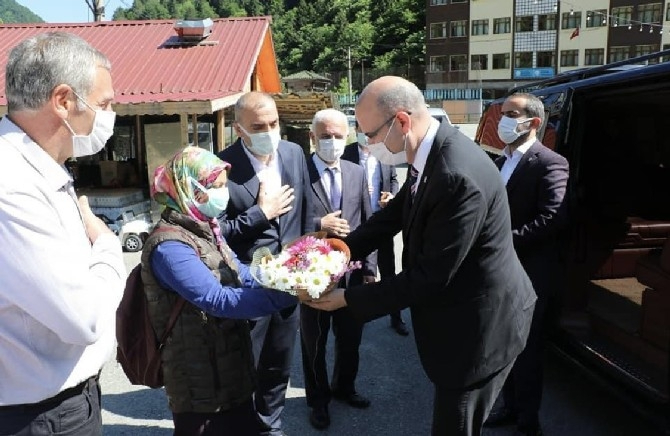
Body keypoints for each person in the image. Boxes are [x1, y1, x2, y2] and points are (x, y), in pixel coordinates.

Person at [307, 76, 537, 436]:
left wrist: (345, 298)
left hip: (478, 331)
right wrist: (342, 250)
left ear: (401, 122)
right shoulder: (429, 152)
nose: (364, 144)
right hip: (459, 317)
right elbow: (394, 214)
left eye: (367, 134)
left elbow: (431, 276)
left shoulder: (455, 174)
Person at [0, 32, 124, 435]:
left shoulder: (36, 166)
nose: (110, 114)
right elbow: (82, 319)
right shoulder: (12, 184)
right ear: (64, 101)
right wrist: (107, 247)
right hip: (40, 415)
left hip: (59, 404)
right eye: (104, 104)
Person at [144, 146, 298, 436]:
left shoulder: (206, 228)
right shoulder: (169, 246)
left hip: (230, 371)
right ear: (188, 188)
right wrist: (285, 295)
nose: (222, 194)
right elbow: (216, 300)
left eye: (223, 185)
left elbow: (240, 273)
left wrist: (286, 277)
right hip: (199, 382)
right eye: (215, 187)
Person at [217, 91, 315, 436]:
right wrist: (261, 213)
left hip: (289, 280)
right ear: (238, 128)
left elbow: (307, 211)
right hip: (247, 285)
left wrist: (308, 259)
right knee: (247, 364)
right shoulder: (221, 167)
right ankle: (244, 425)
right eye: (259, 126)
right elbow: (216, 235)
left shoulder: (293, 153)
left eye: (274, 123)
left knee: (279, 362)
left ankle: (270, 427)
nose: (269, 131)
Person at [484, 93, 569, 436]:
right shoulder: (501, 160)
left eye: (511, 114)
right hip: (500, 270)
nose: (503, 120)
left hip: (530, 273)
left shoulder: (550, 162)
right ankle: (510, 406)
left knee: (527, 348)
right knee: (505, 345)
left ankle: (528, 421)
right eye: (502, 113)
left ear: (534, 122)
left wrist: (503, 241)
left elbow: (553, 218)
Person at [301, 109, 377, 430]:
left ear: (346, 136)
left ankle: (345, 387)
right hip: (312, 275)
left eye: (337, 135)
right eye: (324, 136)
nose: (331, 142)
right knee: (314, 343)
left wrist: (371, 268)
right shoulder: (299, 172)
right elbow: (283, 223)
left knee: (350, 339)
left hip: (353, 274)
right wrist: (320, 224)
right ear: (312, 137)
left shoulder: (355, 171)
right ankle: (318, 401)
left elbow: (368, 223)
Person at [342, 121, 408, 336]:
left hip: (381, 222)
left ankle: (396, 318)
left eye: (368, 130)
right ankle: (354, 315)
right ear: (356, 131)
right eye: (361, 130)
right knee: (355, 272)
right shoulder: (345, 154)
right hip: (356, 223)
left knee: (388, 272)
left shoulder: (384, 153)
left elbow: (394, 180)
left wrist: (392, 196)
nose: (365, 134)